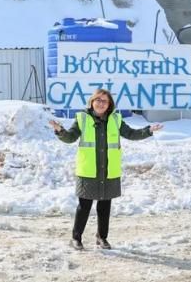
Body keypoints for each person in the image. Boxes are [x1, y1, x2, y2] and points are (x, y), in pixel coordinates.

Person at [49, 88, 163, 250]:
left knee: (104, 206)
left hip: (109, 170)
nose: (101, 103)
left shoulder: (116, 119)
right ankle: (76, 238)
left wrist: (148, 131)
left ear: (109, 104)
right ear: (92, 102)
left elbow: (131, 134)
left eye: (105, 101)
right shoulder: (82, 118)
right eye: (98, 100)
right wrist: (60, 131)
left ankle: (101, 238)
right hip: (88, 170)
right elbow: (70, 137)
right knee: (84, 206)